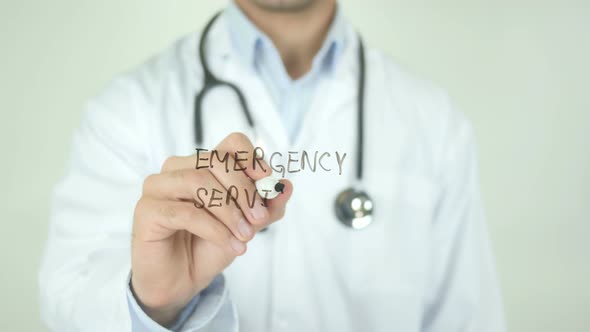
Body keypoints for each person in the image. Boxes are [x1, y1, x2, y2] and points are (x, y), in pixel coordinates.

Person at [39, 0, 506, 331]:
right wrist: (152, 305)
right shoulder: (128, 109)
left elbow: (468, 320)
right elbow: (67, 304)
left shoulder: (433, 122)